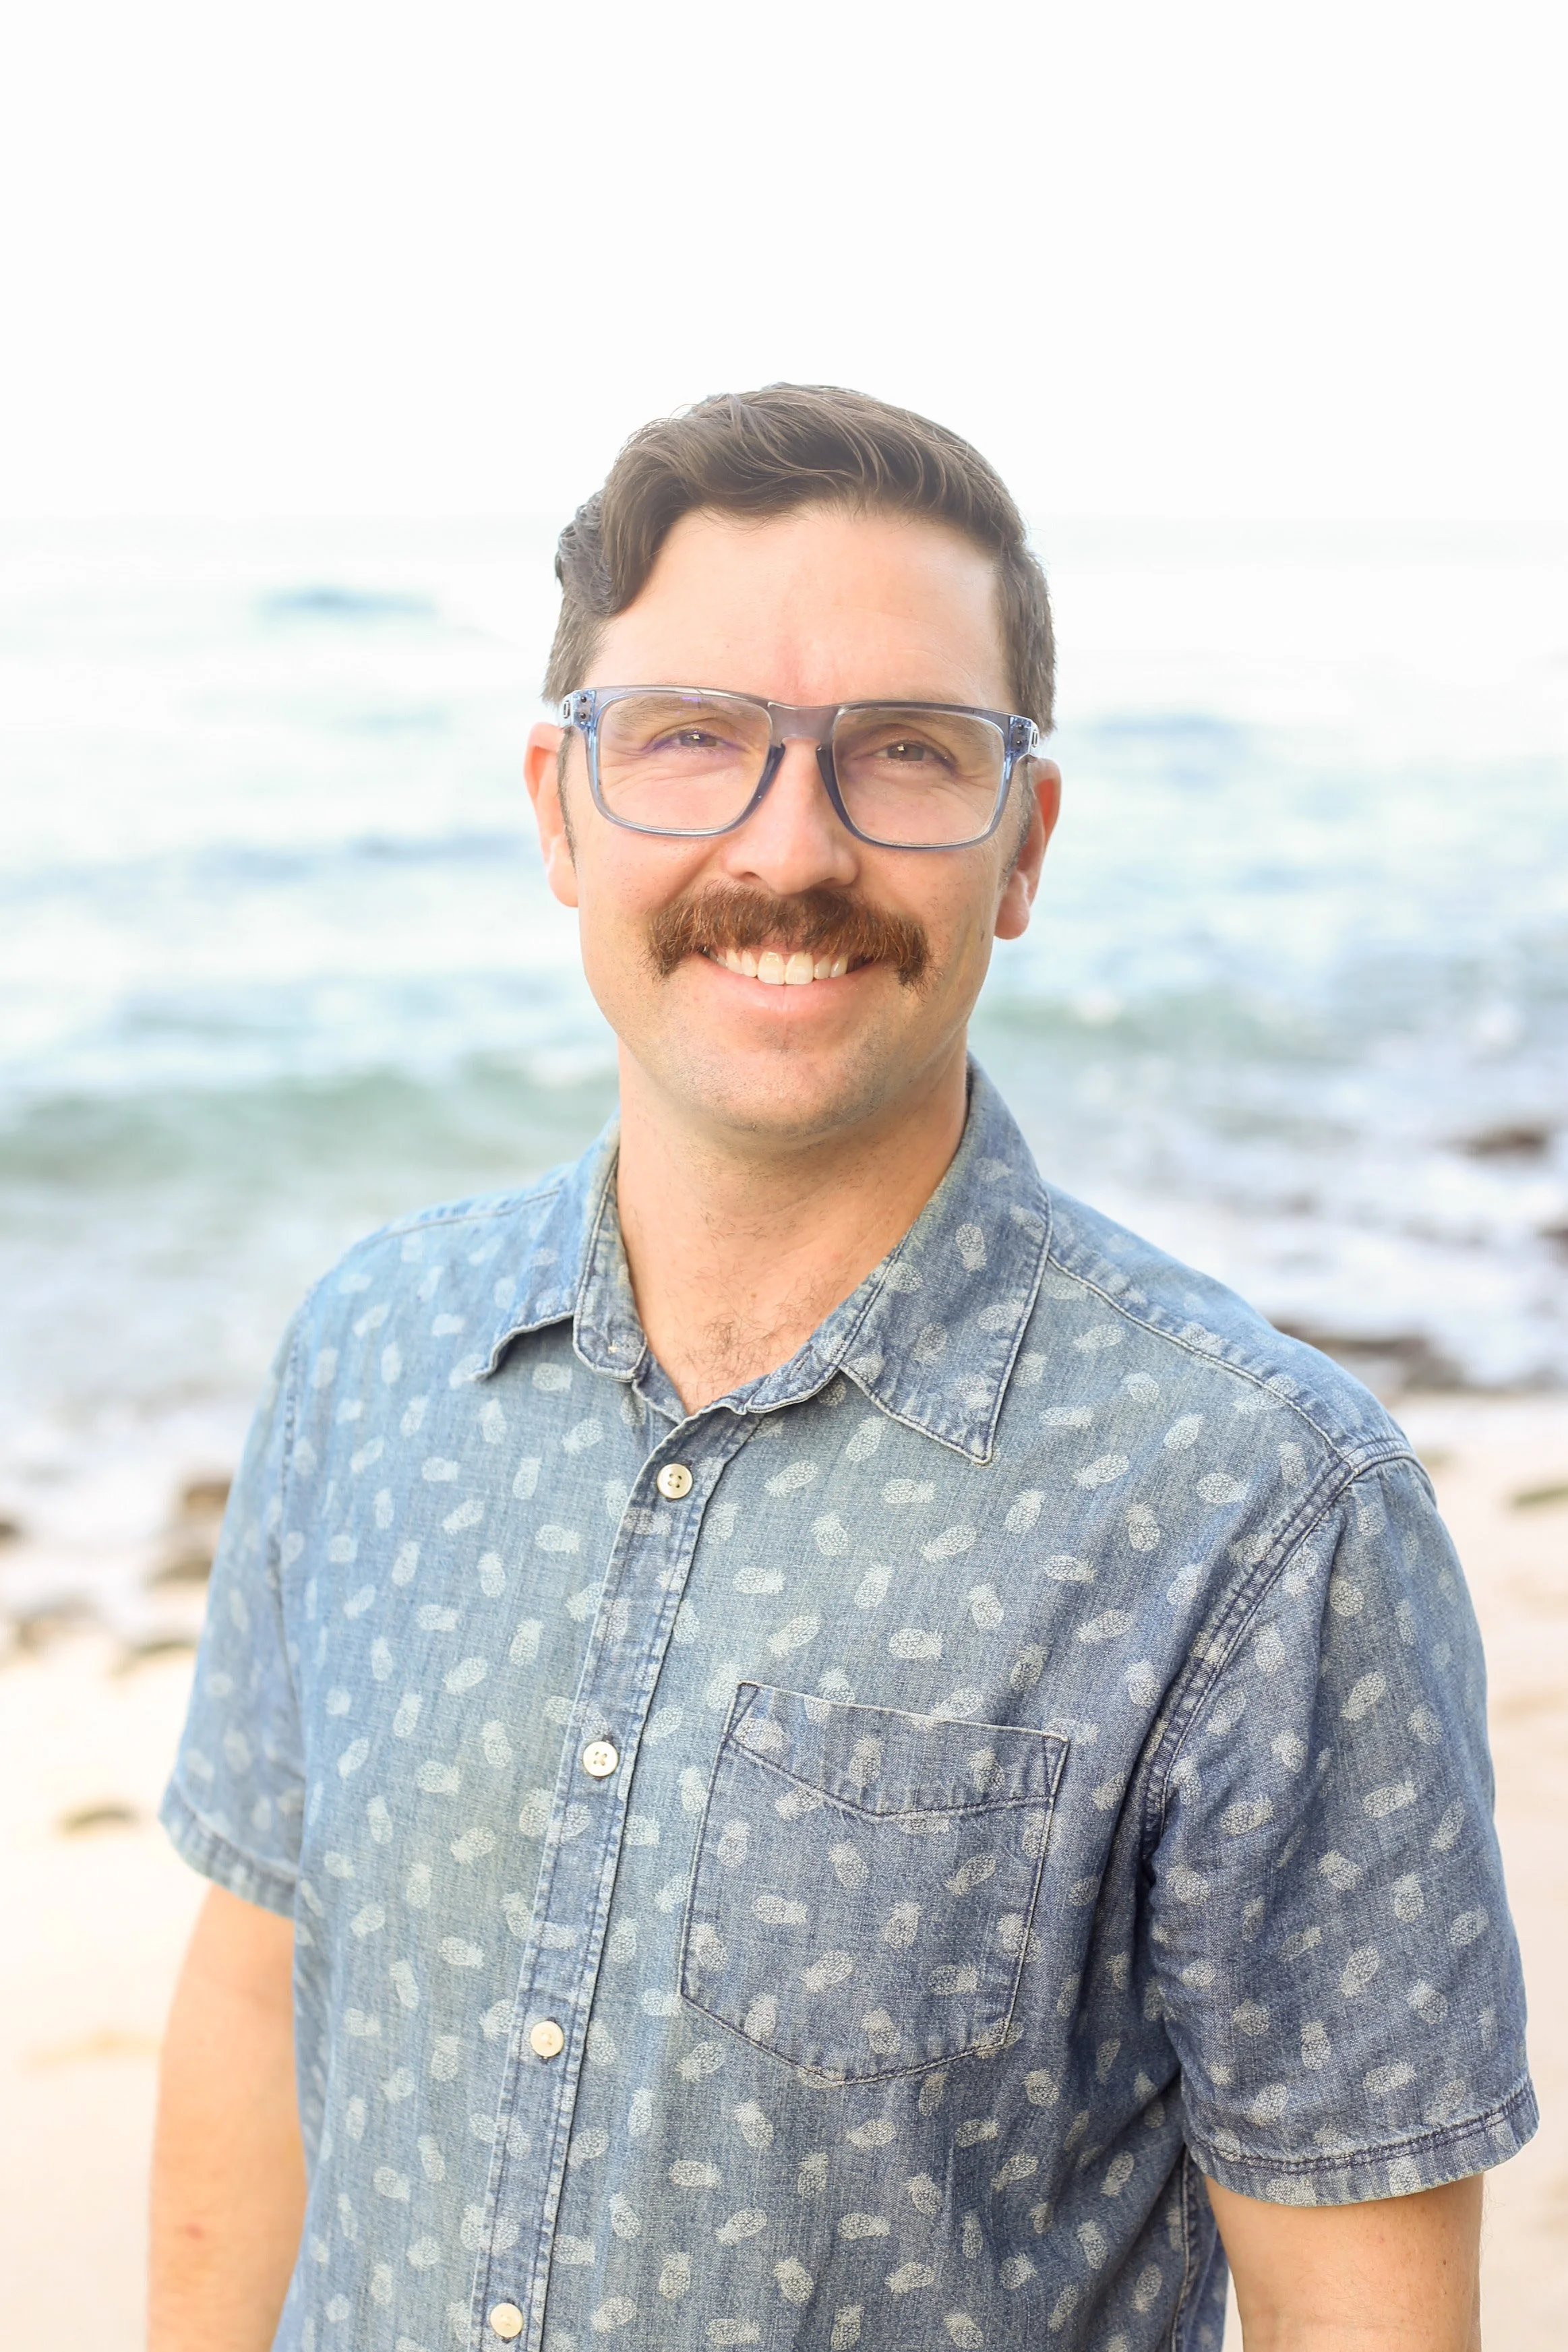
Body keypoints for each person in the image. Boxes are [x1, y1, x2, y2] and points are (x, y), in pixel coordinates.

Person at [150, 384, 1534, 2352]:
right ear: (559, 807)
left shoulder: (1261, 1517)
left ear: (1025, 844)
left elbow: (1360, 2314)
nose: (786, 849)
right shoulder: (371, 1357)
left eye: (903, 754)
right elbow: (256, 1983)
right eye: (690, 739)